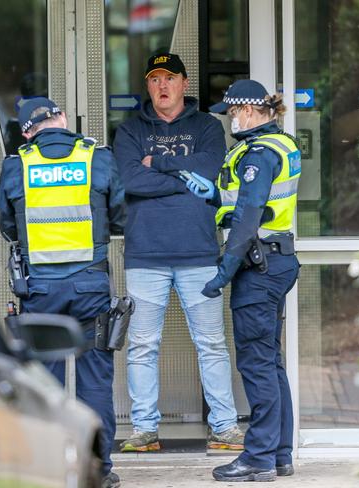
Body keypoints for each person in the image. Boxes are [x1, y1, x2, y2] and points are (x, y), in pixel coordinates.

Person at [113, 52, 244, 452]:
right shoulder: (130, 130)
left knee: (212, 344)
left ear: (184, 83)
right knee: (142, 346)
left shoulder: (206, 125)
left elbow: (209, 168)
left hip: (199, 253)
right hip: (145, 254)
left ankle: (224, 428)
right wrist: (182, 177)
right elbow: (131, 179)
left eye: (170, 78)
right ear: (148, 86)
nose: (162, 86)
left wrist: (159, 164)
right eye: (155, 80)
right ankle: (144, 431)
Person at [0, 97, 125, 487]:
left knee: (43, 384)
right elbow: (119, 215)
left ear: (26, 130)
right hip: (91, 286)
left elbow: (7, 226)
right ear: (63, 119)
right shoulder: (97, 158)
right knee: (95, 382)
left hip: (40, 290)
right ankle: (98, 471)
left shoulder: (17, 165)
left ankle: (49, 471)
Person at [185, 79, 301, 481]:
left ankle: (259, 458)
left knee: (256, 365)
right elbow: (251, 203)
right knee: (270, 362)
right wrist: (214, 197)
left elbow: (250, 217)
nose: (230, 119)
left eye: (231, 112)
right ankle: (280, 454)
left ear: (247, 111)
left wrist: (224, 271)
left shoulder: (258, 154)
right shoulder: (281, 144)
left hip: (259, 268)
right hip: (277, 262)